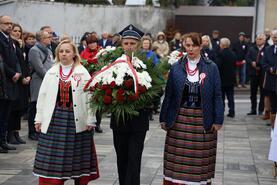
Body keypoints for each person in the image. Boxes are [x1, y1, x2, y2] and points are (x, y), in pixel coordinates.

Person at [160, 32, 224, 185]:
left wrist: (218, 119)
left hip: (203, 119)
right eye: (187, 45)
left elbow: (217, 95)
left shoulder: (211, 67)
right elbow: (168, 95)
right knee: (177, 159)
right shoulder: (176, 67)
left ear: (200, 46)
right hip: (179, 119)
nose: (190, 49)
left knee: (199, 161)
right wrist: (163, 118)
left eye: (194, 45)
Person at [33, 40, 99, 185]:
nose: (64, 54)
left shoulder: (82, 72)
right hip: (54, 119)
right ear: (57, 54)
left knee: (75, 158)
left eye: (67, 51)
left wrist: (91, 119)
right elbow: (42, 96)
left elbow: (90, 97)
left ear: (74, 54)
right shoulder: (51, 72)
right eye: (61, 51)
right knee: (53, 157)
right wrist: (38, 118)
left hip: (75, 119)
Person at [110, 24, 149, 185]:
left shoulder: (147, 63)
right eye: (126, 43)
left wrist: (140, 98)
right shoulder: (112, 63)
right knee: (122, 158)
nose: (129, 46)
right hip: (119, 121)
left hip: (138, 120)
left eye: (133, 43)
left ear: (138, 45)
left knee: (134, 159)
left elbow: (158, 89)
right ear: (122, 44)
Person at [7, 23, 31, 144]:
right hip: (16, 80)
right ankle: (10, 134)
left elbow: (24, 63)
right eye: (15, 31)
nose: (17, 33)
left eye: (19, 31)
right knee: (13, 109)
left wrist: (27, 76)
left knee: (19, 108)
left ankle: (16, 133)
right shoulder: (11, 45)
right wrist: (21, 77)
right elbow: (15, 65)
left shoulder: (20, 45)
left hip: (23, 81)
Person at [28, 30, 54, 140]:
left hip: (47, 81)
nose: (50, 38)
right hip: (38, 81)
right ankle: (32, 131)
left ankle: (41, 129)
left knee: (43, 105)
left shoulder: (48, 50)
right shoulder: (34, 50)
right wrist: (50, 78)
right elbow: (39, 68)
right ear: (42, 39)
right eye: (48, 37)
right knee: (35, 106)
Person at [0, 15, 21, 153]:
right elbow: (1, 62)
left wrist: (18, 72)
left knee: (6, 114)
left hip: (11, 81)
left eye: (10, 23)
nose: (9, 26)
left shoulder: (10, 40)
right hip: (3, 81)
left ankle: (3, 140)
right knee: (1, 114)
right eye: (6, 23)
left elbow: (16, 58)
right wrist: (12, 73)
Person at [80, 35, 103, 133]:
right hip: (88, 80)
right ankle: (89, 121)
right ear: (87, 44)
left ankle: (97, 123)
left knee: (99, 102)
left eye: (94, 42)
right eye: (90, 43)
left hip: (100, 80)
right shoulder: (83, 53)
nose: (92, 45)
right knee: (89, 101)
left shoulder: (102, 52)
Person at [216, 37, 237, 118]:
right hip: (231, 78)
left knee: (221, 97)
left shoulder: (221, 53)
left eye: (220, 43)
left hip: (222, 78)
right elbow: (235, 66)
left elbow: (218, 66)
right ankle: (232, 111)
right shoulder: (233, 53)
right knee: (230, 96)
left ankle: (221, 111)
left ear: (223, 45)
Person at [246, 33, 266, 115]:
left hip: (263, 74)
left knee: (263, 93)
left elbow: (267, 60)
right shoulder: (252, 49)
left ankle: (261, 110)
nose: (258, 40)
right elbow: (247, 57)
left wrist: (259, 64)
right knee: (253, 93)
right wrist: (251, 62)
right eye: (257, 39)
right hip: (253, 74)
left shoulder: (267, 49)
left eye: (260, 39)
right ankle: (253, 109)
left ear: (264, 40)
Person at [262, 30, 277, 129]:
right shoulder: (267, 49)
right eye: (274, 37)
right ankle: (273, 128)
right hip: (271, 81)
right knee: (273, 106)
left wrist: (275, 68)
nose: (276, 39)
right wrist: (270, 69)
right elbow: (264, 63)